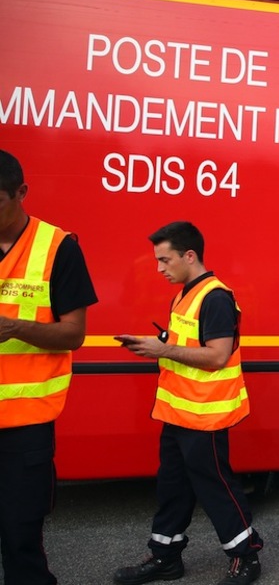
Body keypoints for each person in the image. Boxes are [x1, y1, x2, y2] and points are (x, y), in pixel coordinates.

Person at [114, 222, 262, 585]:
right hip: (179, 412)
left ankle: (246, 557)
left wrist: (161, 349)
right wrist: (157, 342)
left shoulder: (215, 297)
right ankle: (165, 558)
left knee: (215, 487)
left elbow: (217, 357)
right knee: (172, 488)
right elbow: (186, 344)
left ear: (189, 256)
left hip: (204, 415)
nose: (159, 268)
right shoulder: (185, 294)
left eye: (165, 260)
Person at [0, 149, 97, 585]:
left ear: (21, 193)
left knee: (20, 537)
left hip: (25, 426)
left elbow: (74, 333)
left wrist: (14, 327)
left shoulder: (59, 248)